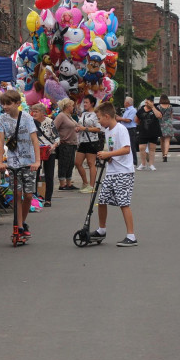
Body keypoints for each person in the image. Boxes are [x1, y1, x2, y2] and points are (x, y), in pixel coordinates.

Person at [90, 101, 138, 247]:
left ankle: (131, 236)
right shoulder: (108, 131)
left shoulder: (120, 129)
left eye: (99, 118)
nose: (98, 121)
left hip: (123, 172)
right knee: (102, 200)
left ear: (106, 116)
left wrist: (108, 153)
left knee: (123, 203)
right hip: (111, 171)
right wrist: (108, 156)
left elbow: (126, 149)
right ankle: (101, 230)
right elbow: (114, 150)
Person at [0, 89, 41, 239]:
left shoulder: (27, 118)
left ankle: (23, 221)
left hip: (29, 161)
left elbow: (35, 140)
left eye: (8, 103)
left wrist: (37, 161)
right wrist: (0, 161)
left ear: (17, 103)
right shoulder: (2, 119)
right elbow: (1, 141)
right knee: (17, 193)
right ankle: (19, 226)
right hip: (13, 160)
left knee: (28, 195)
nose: (5, 106)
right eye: (3, 104)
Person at [30, 103, 59, 207]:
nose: (34, 113)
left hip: (49, 151)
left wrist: (54, 146)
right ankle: (34, 197)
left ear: (43, 113)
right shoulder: (31, 123)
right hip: (35, 151)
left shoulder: (49, 122)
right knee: (34, 175)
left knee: (49, 175)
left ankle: (48, 199)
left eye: (36, 111)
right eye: (33, 111)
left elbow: (57, 137)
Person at [75, 94, 103, 193]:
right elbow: (80, 124)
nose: (85, 104)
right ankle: (85, 182)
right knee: (77, 163)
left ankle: (91, 186)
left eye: (87, 102)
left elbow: (98, 128)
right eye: (84, 102)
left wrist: (85, 129)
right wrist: (78, 128)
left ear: (92, 104)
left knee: (91, 163)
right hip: (82, 141)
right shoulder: (83, 114)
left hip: (92, 141)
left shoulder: (96, 115)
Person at [54, 98, 79, 191]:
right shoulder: (61, 116)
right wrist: (59, 138)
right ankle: (62, 184)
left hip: (72, 143)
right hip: (65, 143)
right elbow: (54, 127)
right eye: (72, 106)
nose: (73, 107)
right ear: (68, 107)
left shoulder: (69, 116)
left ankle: (68, 182)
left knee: (70, 163)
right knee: (63, 163)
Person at [136, 96, 162, 171]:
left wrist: (152, 107)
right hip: (143, 131)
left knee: (152, 148)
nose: (146, 103)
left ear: (152, 102)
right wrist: (141, 125)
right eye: (146, 102)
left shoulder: (156, 108)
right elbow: (136, 119)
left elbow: (159, 116)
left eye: (148, 102)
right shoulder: (141, 110)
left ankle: (151, 164)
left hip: (153, 131)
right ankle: (143, 163)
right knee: (141, 148)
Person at [118, 96, 139, 162]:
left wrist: (120, 118)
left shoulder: (133, 110)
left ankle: (134, 161)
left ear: (127, 103)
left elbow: (129, 120)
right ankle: (128, 160)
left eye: (125, 102)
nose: (124, 103)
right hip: (126, 129)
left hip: (131, 129)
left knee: (132, 145)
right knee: (126, 144)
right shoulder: (126, 110)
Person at [158, 95, 175, 162]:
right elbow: (171, 116)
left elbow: (158, 116)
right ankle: (165, 154)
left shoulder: (159, 107)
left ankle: (163, 154)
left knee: (162, 140)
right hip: (168, 124)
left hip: (161, 123)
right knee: (167, 140)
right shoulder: (170, 107)